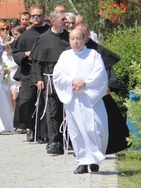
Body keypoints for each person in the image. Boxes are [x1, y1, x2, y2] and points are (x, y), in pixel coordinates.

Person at [53, 29, 108, 174]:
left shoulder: (93, 55)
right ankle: (82, 161)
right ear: (69, 40)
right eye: (72, 39)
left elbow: (100, 74)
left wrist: (85, 83)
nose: (75, 42)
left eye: (78, 38)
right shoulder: (65, 56)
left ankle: (95, 160)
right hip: (73, 98)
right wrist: (72, 80)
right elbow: (57, 75)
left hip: (90, 97)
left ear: (84, 39)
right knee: (76, 131)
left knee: (96, 128)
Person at [75, 22, 130, 154]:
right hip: (79, 93)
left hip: (98, 92)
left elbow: (107, 68)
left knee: (104, 120)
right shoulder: (71, 51)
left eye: (83, 34)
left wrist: (108, 85)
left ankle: (108, 145)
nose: (79, 38)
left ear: (88, 34)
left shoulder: (97, 50)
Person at [30, 10, 69, 154]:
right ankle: (54, 142)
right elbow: (37, 62)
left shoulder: (69, 37)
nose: (65, 21)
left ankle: (69, 139)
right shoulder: (44, 38)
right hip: (50, 79)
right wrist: (39, 78)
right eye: (62, 19)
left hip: (67, 81)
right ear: (54, 21)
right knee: (52, 111)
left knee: (68, 111)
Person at [12, 6, 49, 140]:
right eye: (33, 16)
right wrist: (25, 54)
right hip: (29, 72)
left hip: (46, 72)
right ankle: (30, 127)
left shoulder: (50, 32)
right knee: (27, 101)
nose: (35, 18)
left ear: (43, 16)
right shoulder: (26, 35)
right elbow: (16, 53)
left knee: (45, 102)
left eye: (38, 15)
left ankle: (43, 132)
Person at [1, 36, 19, 115]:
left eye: (8, 47)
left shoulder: (15, 54)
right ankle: (9, 116)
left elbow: (16, 64)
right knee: (7, 98)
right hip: (6, 77)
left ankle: (14, 116)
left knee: (14, 98)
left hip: (14, 76)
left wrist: (7, 69)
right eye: (5, 47)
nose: (6, 49)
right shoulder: (4, 54)